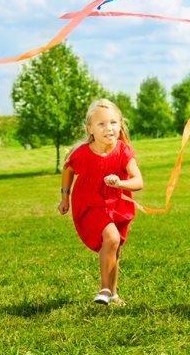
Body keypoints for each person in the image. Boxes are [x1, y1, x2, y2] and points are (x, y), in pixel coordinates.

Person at [58, 99, 143, 305]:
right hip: (90, 204)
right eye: (101, 124)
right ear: (90, 129)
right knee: (111, 238)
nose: (109, 128)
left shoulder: (123, 151)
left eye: (113, 123)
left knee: (115, 247)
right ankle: (104, 289)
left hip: (117, 205)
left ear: (120, 124)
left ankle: (113, 295)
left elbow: (138, 182)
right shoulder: (82, 153)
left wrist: (120, 182)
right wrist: (65, 198)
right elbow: (68, 170)